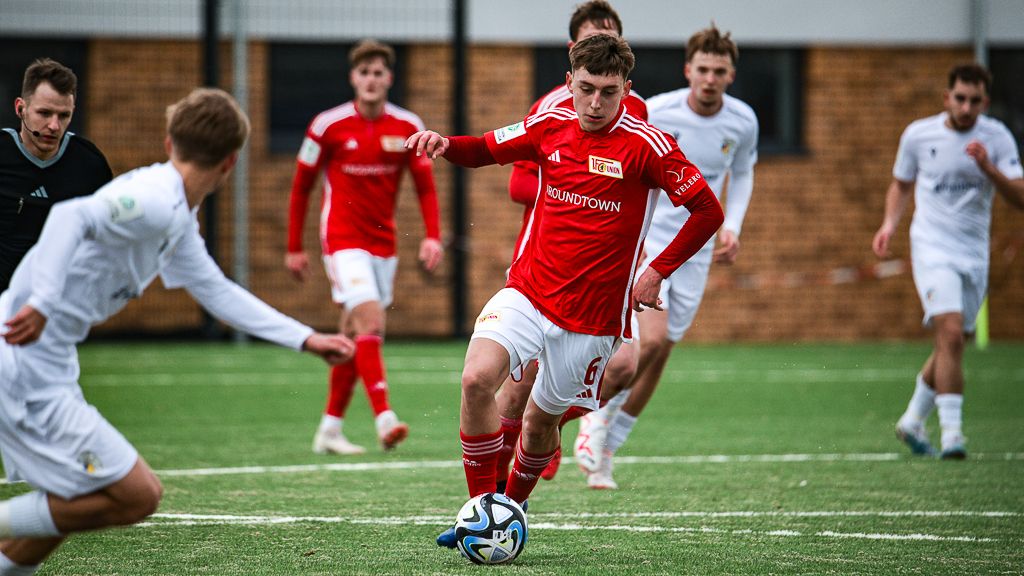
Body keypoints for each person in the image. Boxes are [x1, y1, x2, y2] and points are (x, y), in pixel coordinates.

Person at [0, 88, 355, 575]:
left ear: (169, 143)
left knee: (75, 499)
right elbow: (69, 216)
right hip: (25, 361)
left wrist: (306, 339)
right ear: (231, 164)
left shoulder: (179, 219)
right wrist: (41, 301)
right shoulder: (154, 201)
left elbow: (217, 291)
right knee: (136, 496)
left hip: (43, 361)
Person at [407, 33, 723, 548]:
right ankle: (483, 511)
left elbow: (708, 211)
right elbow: (487, 148)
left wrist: (657, 271)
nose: (595, 103)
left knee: (537, 425)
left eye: (609, 91)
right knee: (475, 380)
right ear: (568, 84)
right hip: (528, 293)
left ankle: (513, 507)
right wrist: (445, 144)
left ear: (627, 90)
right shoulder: (549, 125)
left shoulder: (650, 146)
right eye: (586, 89)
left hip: (594, 319)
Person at [573, 24, 759, 489]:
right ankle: (590, 419)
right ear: (688, 71)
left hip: (695, 252)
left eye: (719, 71)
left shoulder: (743, 121)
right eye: (703, 69)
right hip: (651, 243)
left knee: (661, 353)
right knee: (648, 343)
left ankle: (609, 449)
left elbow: (743, 172)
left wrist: (732, 226)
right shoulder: (658, 111)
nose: (710, 79)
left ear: (731, 74)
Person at [493, 0, 649, 486]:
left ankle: (546, 432)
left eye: (611, 33)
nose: (597, 98)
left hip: (605, 277)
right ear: (573, 52)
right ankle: (493, 496)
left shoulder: (638, 113)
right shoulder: (548, 110)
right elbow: (519, 184)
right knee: (514, 392)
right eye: (592, 34)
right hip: (543, 266)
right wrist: (573, 180)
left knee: (625, 364)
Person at [286, 40, 443, 455]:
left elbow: (425, 187)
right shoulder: (327, 125)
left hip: (383, 244)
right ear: (353, 78)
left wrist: (432, 235)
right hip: (340, 240)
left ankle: (330, 429)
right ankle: (385, 417)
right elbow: (301, 188)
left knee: (354, 334)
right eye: (364, 72)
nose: (371, 80)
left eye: (378, 73)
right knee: (371, 322)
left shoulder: (408, 126)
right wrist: (293, 247)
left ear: (389, 78)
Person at [873, 63, 1023, 460]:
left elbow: (1020, 198)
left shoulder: (997, 138)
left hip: (973, 253)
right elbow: (901, 183)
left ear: (985, 103)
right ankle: (954, 434)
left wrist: (988, 168)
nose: (966, 106)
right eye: (960, 98)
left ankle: (912, 420)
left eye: (975, 101)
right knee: (952, 335)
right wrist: (889, 224)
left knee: (953, 342)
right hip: (931, 246)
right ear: (947, 98)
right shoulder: (919, 135)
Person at [1, 57, 112, 292]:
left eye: (63, 115)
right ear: (20, 108)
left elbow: (104, 236)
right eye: (44, 113)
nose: (54, 125)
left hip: (57, 303)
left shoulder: (90, 164)